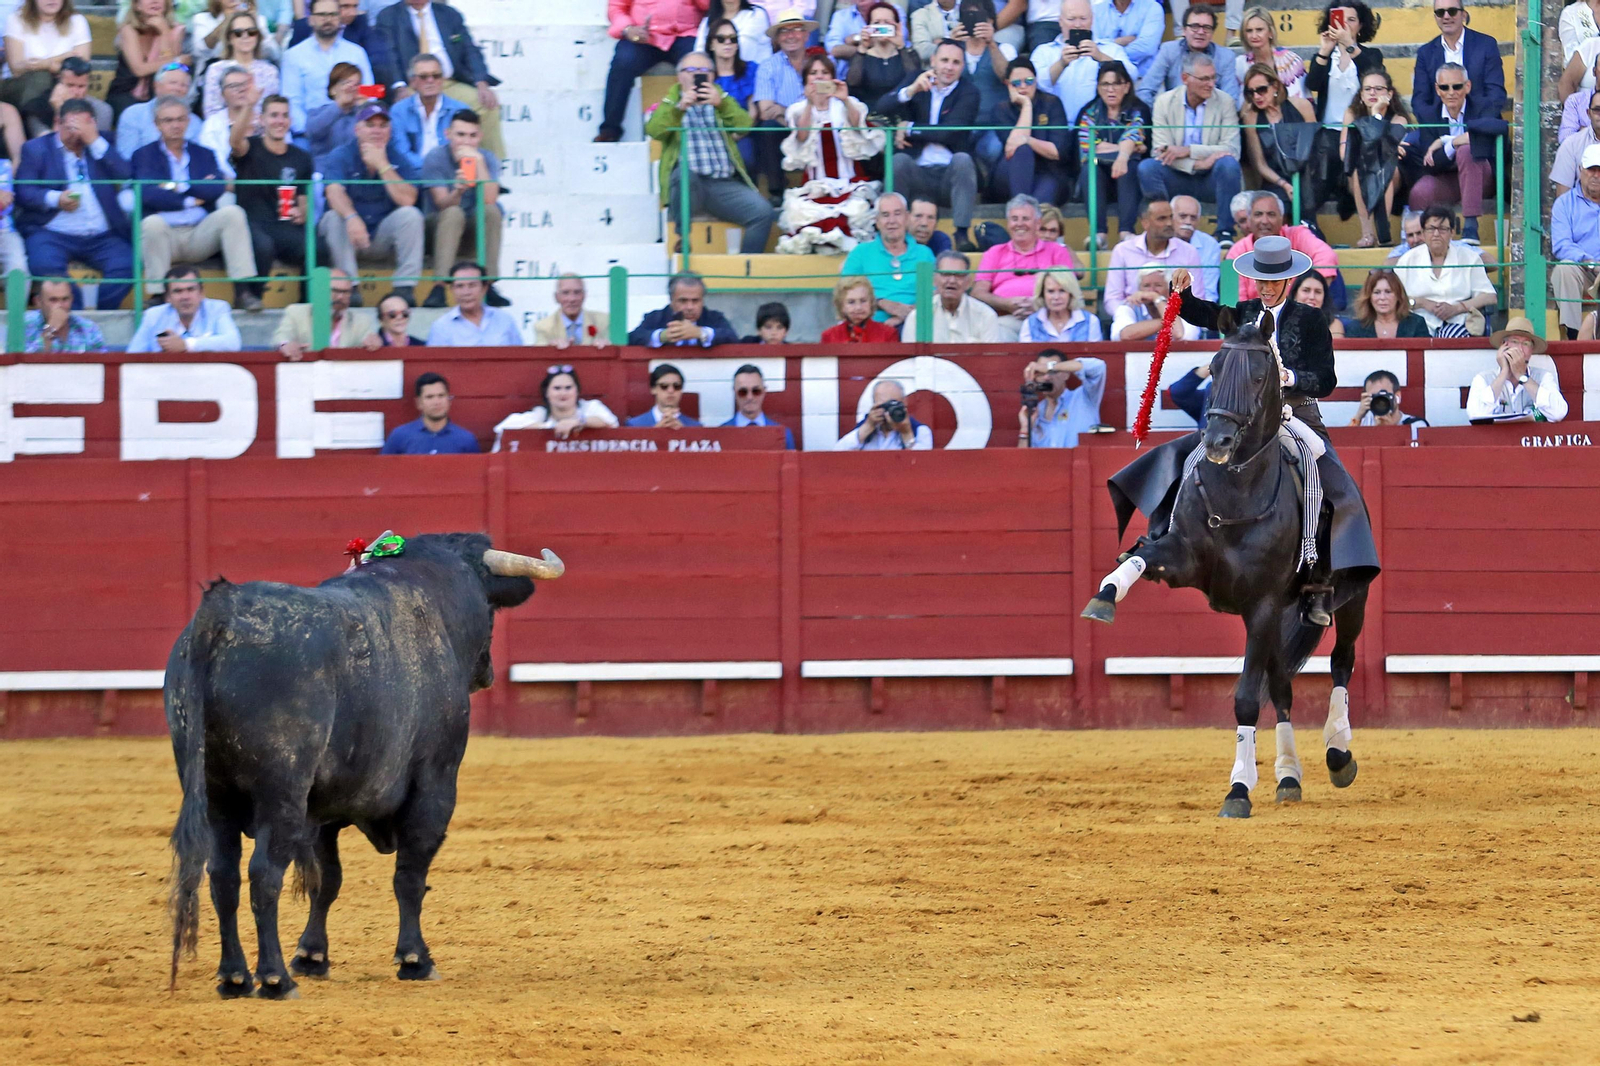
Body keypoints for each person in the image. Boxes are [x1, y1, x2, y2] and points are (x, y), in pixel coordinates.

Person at [1159, 235, 1382, 626]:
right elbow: (1204, 314)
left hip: (1298, 414)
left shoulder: (1311, 319)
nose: (1265, 286)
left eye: (1273, 279)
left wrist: (1290, 376)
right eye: (1260, 278)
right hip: (1248, 423)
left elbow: (1325, 380)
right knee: (1184, 463)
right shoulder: (1244, 312)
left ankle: (1319, 579)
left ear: (1288, 280)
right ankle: (1163, 538)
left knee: (1342, 493)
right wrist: (1182, 291)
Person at [133, 95, 260, 309]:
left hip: (200, 233)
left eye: (180, 119)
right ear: (157, 125)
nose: (175, 125)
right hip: (166, 236)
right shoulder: (144, 155)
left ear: (188, 121)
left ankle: (243, 291)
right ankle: (157, 295)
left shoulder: (204, 154)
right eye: (168, 120)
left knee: (233, 213)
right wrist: (191, 195)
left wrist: (172, 186)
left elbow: (216, 188)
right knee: (151, 224)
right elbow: (148, 194)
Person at [650, 50, 775, 256]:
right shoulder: (671, 101)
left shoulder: (720, 98)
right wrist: (679, 109)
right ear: (679, 76)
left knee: (763, 213)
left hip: (722, 184)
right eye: (691, 70)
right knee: (684, 174)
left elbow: (744, 126)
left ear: (712, 76)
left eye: (704, 71)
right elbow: (654, 130)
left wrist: (722, 104)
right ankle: (682, 239)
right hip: (689, 182)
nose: (697, 75)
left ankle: (746, 265)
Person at [14, 98, 134, 311]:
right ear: (58, 122)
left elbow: (125, 174)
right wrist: (55, 199)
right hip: (52, 233)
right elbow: (24, 192)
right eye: (70, 126)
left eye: (82, 126)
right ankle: (76, 315)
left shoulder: (104, 144)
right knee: (45, 265)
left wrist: (93, 140)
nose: (75, 133)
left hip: (103, 235)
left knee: (128, 265)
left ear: (93, 124)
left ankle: (94, 312)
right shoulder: (36, 149)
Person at [878, 38, 982, 252]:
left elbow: (949, 134)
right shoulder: (916, 79)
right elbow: (880, 108)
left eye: (955, 62)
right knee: (898, 161)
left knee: (963, 160)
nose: (949, 67)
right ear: (933, 60)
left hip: (948, 176)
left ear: (963, 66)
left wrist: (908, 129)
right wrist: (910, 91)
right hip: (918, 172)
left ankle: (961, 234)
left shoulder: (969, 92)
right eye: (944, 60)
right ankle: (894, 234)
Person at [775, 53, 882, 255]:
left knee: (857, 213)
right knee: (803, 215)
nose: (819, 77)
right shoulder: (797, 110)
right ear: (806, 78)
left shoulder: (846, 104)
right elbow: (801, 138)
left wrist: (845, 99)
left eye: (824, 73)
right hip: (816, 186)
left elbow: (860, 129)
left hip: (849, 182)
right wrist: (809, 102)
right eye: (813, 73)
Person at [319, 102, 423, 305]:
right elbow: (333, 192)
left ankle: (404, 288)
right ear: (357, 129)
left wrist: (382, 165)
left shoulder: (396, 156)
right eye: (370, 125)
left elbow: (408, 199)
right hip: (348, 235)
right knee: (333, 217)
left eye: (382, 125)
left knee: (411, 215)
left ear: (390, 130)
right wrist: (351, 217)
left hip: (380, 235)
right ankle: (351, 288)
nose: (377, 130)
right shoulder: (341, 155)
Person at [1137, 54, 1242, 246]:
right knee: (1148, 168)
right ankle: (1165, 229)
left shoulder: (1225, 101)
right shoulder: (1164, 102)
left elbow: (1232, 149)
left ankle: (1225, 233)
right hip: (1177, 175)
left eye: (1213, 78)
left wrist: (1188, 150)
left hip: (1211, 178)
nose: (1211, 84)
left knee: (1229, 165)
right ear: (1185, 78)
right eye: (1204, 79)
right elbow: (1160, 152)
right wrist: (1197, 163)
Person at [373, 0, 501, 156]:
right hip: (414, 84)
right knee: (406, 109)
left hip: (449, 82)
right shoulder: (388, 16)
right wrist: (399, 87)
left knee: (487, 105)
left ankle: (489, 168)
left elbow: (469, 49)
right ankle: (417, 168)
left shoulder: (449, 14)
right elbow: (389, 57)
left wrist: (482, 83)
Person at [1408, 62, 1507, 246]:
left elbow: (1497, 131)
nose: (1451, 92)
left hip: (1481, 175)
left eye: (1457, 86)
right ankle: (1422, 242)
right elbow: (1431, 162)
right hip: (1447, 177)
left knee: (1468, 151)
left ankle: (1470, 226)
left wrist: (1448, 141)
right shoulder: (1430, 114)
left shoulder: (1483, 107)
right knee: (1419, 192)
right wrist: (1454, 143)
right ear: (1437, 90)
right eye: (1445, 87)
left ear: (1467, 86)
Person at [1303, 3, 1384, 227]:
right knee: (1325, 149)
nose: (1345, 24)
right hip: (1329, 129)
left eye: (1351, 20)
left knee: (1346, 150)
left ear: (1360, 26)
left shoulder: (1371, 54)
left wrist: (1350, 46)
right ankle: (1307, 219)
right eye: (1340, 19)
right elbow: (1313, 84)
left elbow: (1374, 74)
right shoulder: (1324, 55)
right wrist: (1324, 50)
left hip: (1360, 129)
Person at [230, 92, 311, 305]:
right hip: (252, 222)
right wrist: (249, 104)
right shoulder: (250, 147)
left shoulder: (301, 157)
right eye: (274, 115)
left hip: (284, 223)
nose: (279, 121)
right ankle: (252, 299)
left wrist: (301, 213)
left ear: (290, 121)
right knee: (263, 246)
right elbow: (235, 140)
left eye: (284, 116)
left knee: (317, 246)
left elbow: (303, 198)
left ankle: (309, 306)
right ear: (262, 119)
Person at [420, 110, 506, 307]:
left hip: (471, 225)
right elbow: (440, 202)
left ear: (480, 137)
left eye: (472, 135)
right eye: (460, 135)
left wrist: (479, 164)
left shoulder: (487, 158)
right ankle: (440, 286)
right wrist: (457, 192)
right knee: (453, 212)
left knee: (492, 211)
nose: (466, 141)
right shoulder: (436, 157)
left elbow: (490, 199)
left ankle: (489, 283)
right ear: (448, 133)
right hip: (438, 224)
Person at [971, 193, 1077, 340]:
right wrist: (1006, 303)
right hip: (1005, 321)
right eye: (1014, 219)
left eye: (1025, 219)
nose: (1019, 224)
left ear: (1038, 223)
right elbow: (978, 294)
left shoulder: (1057, 251)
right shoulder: (994, 252)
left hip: (1048, 319)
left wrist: (1039, 304)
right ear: (1008, 223)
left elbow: (1069, 290)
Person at [594, 0, 699, 144]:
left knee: (699, 65)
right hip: (642, 37)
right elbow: (616, 7)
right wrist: (628, 29)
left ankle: (704, 126)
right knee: (624, 62)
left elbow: (706, 5)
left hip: (684, 34)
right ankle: (610, 129)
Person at [1073, 60, 1148, 249]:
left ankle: (1126, 231)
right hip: (1100, 177)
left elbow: (1134, 136)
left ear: (1126, 87)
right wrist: (1125, 148)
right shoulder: (1089, 113)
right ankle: (1099, 234)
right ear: (1098, 88)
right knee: (1090, 166)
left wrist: (1122, 155)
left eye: (1116, 84)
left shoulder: (1136, 111)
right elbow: (1087, 147)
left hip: (1127, 178)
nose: (1111, 90)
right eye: (1105, 84)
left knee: (1129, 165)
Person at [1393, 204, 1497, 336]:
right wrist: (1423, 303)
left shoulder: (1469, 258)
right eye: (1431, 229)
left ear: (1452, 232)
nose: (1436, 234)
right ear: (1424, 233)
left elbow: (1489, 296)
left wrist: (1457, 308)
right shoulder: (1407, 260)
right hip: (1417, 325)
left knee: (1454, 338)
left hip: (1458, 323)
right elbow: (1393, 298)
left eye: (1442, 229)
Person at [839, 192, 936, 326]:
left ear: (907, 218)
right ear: (877, 221)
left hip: (915, 324)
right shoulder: (860, 253)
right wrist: (882, 303)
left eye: (897, 214)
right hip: (869, 325)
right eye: (885, 215)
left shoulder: (924, 254)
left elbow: (934, 294)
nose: (892, 221)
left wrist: (904, 317)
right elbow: (845, 294)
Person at [1033, 0, 1136, 126]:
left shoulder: (1110, 49)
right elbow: (1035, 85)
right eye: (1071, 19)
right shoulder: (1044, 51)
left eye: (1083, 18)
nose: (1078, 25)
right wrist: (1061, 64)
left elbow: (1132, 77)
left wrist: (1101, 57)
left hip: (1097, 128)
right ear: (1060, 21)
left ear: (1092, 20)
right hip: (1056, 128)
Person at [749, 11, 816, 197]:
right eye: (784, 31)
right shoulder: (767, 66)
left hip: (816, 124)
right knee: (767, 127)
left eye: (796, 29)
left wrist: (783, 110)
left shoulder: (819, 63)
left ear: (806, 35)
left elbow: (825, 105)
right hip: (782, 129)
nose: (791, 35)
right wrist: (795, 121)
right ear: (777, 38)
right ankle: (776, 190)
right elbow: (765, 111)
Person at [1340, 68, 1410, 247]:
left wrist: (1376, 114)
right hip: (1357, 173)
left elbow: (1387, 156)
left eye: (1379, 89)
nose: (1372, 93)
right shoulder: (1351, 114)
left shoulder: (1399, 119)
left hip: (1393, 174)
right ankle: (1368, 234)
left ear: (1389, 93)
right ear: (1361, 94)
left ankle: (1383, 232)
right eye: (1368, 89)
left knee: (1382, 169)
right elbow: (1344, 153)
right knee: (1361, 168)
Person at [1226, 191, 1338, 303]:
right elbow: (1236, 303)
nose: (1264, 221)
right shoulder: (1237, 252)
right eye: (1258, 214)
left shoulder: (1297, 235)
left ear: (1282, 218)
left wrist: (1308, 293)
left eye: (1271, 214)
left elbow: (1326, 256)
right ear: (1249, 219)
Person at [985, 57, 1070, 204]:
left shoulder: (1052, 103)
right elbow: (1013, 147)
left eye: (1029, 81)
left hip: (1047, 171)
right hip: (1011, 171)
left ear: (1036, 81)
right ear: (1008, 85)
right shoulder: (1000, 110)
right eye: (1016, 83)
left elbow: (1057, 152)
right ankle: (1021, 208)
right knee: (1022, 150)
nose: (1023, 86)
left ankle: (1021, 209)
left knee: (1041, 199)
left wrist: (1028, 140)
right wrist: (1026, 105)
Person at [280, 0, 371, 137]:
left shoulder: (357, 52)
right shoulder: (293, 56)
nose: (327, 19)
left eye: (332, 14)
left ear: (339, 18)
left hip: (352, 130)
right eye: (322, 14)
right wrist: (309, 131)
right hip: (312, 132)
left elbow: (369, 93)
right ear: (310, 19)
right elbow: (292, 103)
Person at [1240, 62, 1317, 223]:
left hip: (1306, 174)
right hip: (1274, 178)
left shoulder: (1302, 106)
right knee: (1277, 209)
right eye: (1251, 92)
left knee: (1306, 195)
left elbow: (1315, 147)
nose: (1257, 97)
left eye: (1261, 90)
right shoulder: (1251, 118)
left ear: (1275, 86)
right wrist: (1284, 184)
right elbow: (1259, 164)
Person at [1101, 199, 1199, 316]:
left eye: (1171, 217)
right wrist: (1127, 314)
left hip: (1177, 319)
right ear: (1145, 223)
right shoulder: (1123, 251)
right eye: (1162, 218)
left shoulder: (1188, 252)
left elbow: (1197, 297)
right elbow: (1112, 299)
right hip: (1134, 319)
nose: (1169, 223)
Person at [1135, 4, 1239, 107]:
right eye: (1194, 26)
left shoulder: (1226, 57)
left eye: (1207, 28)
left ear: (1212, 33)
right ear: (1184, 30)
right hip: (1174, 117)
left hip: (1212, 118)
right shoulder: (1169, 51)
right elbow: (1145, 91)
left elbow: (1231, 98)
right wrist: (1159, 116)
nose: (1200, 32)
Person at [492, 365, 621, 448]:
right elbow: (503, 428)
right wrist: (549, 428)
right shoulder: (541, 414)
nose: (563, 393)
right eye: (557, 388)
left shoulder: (590, 407)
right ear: (547, 393)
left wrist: (577, 422)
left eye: (568, 388)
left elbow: (611, 422)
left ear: (577, 391)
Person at [1413, 0, 1506, 115]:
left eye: (1452, 11)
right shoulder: (1425, 53)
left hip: (1480, 125)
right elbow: (1419, 101)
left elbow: (1496, 95)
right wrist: (1439, 130)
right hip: (1441, 127)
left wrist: (1474, 131)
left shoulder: (1486, 45)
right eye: (1440, 12)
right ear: (1435, 17)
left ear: (1463, 15)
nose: (1446, 17)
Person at [1466, 318, 1567, 423]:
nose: (1520, 349)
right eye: (1514, 342)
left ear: (1531, 350)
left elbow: (1558, 413)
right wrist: (1504, 373)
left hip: (1530, 438)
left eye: (1526, 344)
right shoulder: (1483, 378)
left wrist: (1523, 377)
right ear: (1503, 346)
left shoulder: (1543, 377)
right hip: (1495, 438)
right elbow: (1475, 415)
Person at [126, 265, 243, 351]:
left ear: (201, 293)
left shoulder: (217, 308)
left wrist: (186, 345)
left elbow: (233, 343)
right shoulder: (153, 315)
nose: (185, 297)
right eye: (178, 291)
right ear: (167, 298)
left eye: (191, 289)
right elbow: (132, 355)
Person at [107, 0, 190, 121]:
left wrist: (164, 32)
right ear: (137, 5)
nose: (155, 1)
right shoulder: (129, 29)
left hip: (160, 93)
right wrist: (176, 60)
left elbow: (169, 71)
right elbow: (139, 69)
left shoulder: (176, 30)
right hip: (125, 92)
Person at [2, 0, 92, 110]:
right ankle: (38, 125)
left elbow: (80, 70)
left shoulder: (77, 21)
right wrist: (63, 58)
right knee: (41, 78)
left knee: (103, 109)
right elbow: (16, 68)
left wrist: (45, 64)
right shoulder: (16, 19)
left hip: (65, 84)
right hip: (19, 86)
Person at [1550, 144, 1600, 338]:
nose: (1596, 175)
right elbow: (1562, 245)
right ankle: (1574, 334)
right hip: (1585, 269)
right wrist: (1591, 263)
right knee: (1565, 268)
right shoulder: (1564, 203)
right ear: (1580, 170)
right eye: (1591, 169)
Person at [900, 250, 1001, 342]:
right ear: (934, 280)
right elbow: (911, 359)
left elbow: (991, 359)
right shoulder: (918, 316)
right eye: (946, 274)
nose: (952, 281)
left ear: (968, 282)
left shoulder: (985, 315)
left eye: (959, 275)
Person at [388, 52, 465, 172]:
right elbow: (400, 152)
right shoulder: (398, 111)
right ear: (412, 81)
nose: (430, 80)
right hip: (413, 176)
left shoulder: (460, 110)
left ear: (442, 79)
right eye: (423, 77)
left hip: (449, 177)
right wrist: (429, 170)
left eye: (436, 76)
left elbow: (464, 150)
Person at [289, 0, 395, 86]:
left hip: (355, 96)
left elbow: (378, 58)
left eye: (355, 6)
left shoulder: (359, 27)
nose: (352, 13)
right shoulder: (303, 29)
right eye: (345, 6)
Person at [274, 267, 374, 358]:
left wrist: (372, 342)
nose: (340, 297)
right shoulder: (296, 312)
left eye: (346, 292)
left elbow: (369, 340)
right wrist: (286, 344)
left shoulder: (362, 321)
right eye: (335, 291)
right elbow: (282, 335)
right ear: (321, 290)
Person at [1017, 349, 1105, 447]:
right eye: (1040, 373)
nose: (1046, 377)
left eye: (1052, 372)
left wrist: (1049, 367)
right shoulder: (1035, 412)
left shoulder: (1084, 398)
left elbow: (1098, 367)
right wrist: (1025, 429)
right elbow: (1022, 460)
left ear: (1066, 374)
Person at [200, 8, 278, 118]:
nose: (245, 36)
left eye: (251, 32)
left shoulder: (270, 71)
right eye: (238, 33)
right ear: (229, 38)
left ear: (257, 36)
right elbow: (212, 112)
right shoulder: (216, 70)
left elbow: (273, 111)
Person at [628, 272, 741, 347]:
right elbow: (633, 338)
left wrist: (701, 333)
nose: (690, 307)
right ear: (671, 300)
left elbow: (733, 337)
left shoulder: (714, 317)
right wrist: (662, 336)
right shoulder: (655, 318)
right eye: (683, 301)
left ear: (703, 300)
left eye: (695, 301)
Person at [426, 260, 522, 346]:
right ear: (452, 290)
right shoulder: (441, 326)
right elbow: (435, 364)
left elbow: (520, 357)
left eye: (472, 285)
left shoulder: (504, 319)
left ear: (484, 288)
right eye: (459, 286)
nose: (466, 292)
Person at [115, 61, 200, 159]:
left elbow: (197, 160)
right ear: (156, 86)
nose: (178, 88)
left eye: (184, 85)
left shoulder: (195, 122)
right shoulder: (133, 115)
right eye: (173, 83)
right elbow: (127, 157)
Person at [379, 372, 481, 453]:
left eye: (441, 396)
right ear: (419, 403)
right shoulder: (399, 436)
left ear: (449, 400)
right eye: (429, 397)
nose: (436, 402)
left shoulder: (466, 439)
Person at [844, 2, 918, 105]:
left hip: (902, 113)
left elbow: (914, 79)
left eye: (887, 22)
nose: (882, 26)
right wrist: (862, 47)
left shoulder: (908, 54)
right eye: (877, 22)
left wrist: (901, 46)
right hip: (869, 113)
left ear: (897, 25)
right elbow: (852, 83)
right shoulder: (860, 56)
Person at [19, 54, 110, 138]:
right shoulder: (36, 110)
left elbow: (96, 150)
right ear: (59, 82)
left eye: (81, 86)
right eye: (70, 85)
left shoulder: (101, 110)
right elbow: (49, 150)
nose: (75, 92)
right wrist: (59, 110)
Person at [707, 16, 759, 159]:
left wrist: (736, 135)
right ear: (711, 44)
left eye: (733, 38)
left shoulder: (750, 70)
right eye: (721, 39)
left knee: (746, 156)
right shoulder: (704, 73)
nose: (728, 42)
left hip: (743, 133)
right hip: (712, 136)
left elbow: (753, 111)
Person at [835, 378, 932, 450]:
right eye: (884, 406)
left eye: (894, 404)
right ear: (874, 404)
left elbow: (922, 465)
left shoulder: (919, 430)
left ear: (904, 402)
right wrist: (867, 427)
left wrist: (906, 433)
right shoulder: (866, 428)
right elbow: (837, 454)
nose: (888, 411)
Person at [1111, 265, 1198, 342]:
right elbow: (1124, 335)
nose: (1152, 291)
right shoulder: (1128, 306)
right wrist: (1166, 322)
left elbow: (1180, 335)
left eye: (1158, 285)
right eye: (1146, 286)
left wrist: (1157, 299)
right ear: (1139, 289)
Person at [1235, 5, 1304, 98]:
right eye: (1249, 31)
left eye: (1259, 30)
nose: (1254, 35)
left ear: (1270, 32)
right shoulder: (1239, 64)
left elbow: (1303, 100)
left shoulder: (1292, 61)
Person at [302, 61, 361, 167]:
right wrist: (339, 106)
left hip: (357, 172)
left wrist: (363, 109)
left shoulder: (364, 113)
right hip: (325, 172)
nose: (351, 88)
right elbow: (313, 131)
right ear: (333, 89)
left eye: (356, 84)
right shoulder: (316, 112)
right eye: (345, 83)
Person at [721, 363, 795, 448]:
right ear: (734, 392)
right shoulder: (720, 434)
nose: (749, 397)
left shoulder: (784, 435)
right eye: (743, 392)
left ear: (764, 391)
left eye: (756, 391)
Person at [22, 276, 105, 351]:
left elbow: (102, 364)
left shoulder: (89, 328)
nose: (60, 305)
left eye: (65, 299)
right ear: (39, 302)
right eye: (53, 300)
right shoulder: (23, 325)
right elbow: (21, 365)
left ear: (72, 299)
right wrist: (50, 330)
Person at [1342, 269, 1431, 339]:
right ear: (1369, 297)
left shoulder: (1416, 323)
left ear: (1398, 295)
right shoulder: (1356, 328)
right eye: (1377, 292)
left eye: (1388, 292)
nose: (1382, 297)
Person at [192, 0, 278, 70]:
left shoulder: (258, 19)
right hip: (215, 72)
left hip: (250, 71)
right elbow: (200, 51)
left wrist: (254, 23)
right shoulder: (202, 19)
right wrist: (227, 20)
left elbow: (273, 53)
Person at [1020, 268, 1100, 341]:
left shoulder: (1091, 322)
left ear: (1071, 294)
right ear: (1042, 294)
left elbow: (1094, 356)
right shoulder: (1029, 324)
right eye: (1051, 291)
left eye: (1062, 291)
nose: (1056, 297)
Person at [533, 273, 611, 347]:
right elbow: (539, 354)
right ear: (556, 297)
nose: (572, 299)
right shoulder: (543, 327)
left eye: (577, 292)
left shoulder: (604, 321)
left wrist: (607, 347)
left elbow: (616, 348)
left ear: (584, 296)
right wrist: (550, 349)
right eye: (565, 293)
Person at [1090, 0, 1162, 78]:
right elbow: (1093, 46)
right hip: (1105, 80)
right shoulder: (1096, 10)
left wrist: (1105, 53)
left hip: (1142, 79)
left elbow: (1147, 47)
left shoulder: (1152, 7)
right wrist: (1117, 42)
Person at [822, 275, 901, 342]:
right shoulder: (829, 336)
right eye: (851, 302)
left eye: (863, 301)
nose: (858, 307)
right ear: (841, 305)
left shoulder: (888, 333)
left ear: (871, 302)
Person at [1170, 193, 1218, 300]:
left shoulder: (1209, 244)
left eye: (1193, 218)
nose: (1188, 222)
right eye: (1183, 216)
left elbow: (1209, 290)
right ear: (1171, 216)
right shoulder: (1162, 240)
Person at [1553, 89, 1600, 197]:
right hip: (1584, 211)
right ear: (1588, 113)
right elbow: (1563, 198)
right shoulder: (1571, 145)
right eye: (1597, 110)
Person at [626, 362, 702, 427]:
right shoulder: (634, 424)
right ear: (653, 389)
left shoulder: (696, 426)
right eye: (664, 386)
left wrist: (684, 434)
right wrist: (654, 433)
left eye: (677, 386)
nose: (671, 391)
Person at [695, 0, 772, 64]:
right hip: (716, 75)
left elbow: (744, 51)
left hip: (754, 76)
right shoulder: (707, 21)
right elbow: (699, 53)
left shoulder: (756, 14)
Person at [1347, 369, 1422, 427]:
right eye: (1374, 396)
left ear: (1397, 397)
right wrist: (1358, 416)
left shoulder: (1414, 425)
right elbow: (1346, 441)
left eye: (1384, 395)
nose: (1380, 401)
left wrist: (1389, 429)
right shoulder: (1364, 422)